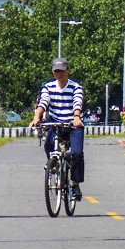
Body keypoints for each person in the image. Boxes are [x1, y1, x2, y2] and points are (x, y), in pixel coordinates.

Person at [29, 57, 85, 200]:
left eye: (61, 71)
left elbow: (77, 102)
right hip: (55, 122)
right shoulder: (48, 87)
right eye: (56, 71)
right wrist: (37, 117)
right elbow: (44, 102)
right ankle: (53, 164)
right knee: (48, 145)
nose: (59, 74)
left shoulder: (75, 87)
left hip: (73, 123)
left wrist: (76, 117)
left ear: (68, 71)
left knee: (77, 153)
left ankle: (75, 183)